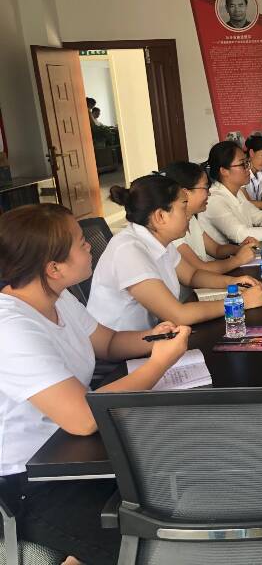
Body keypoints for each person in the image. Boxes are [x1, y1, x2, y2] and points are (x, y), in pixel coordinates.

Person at [0, 203, 191, 564]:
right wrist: (159, 364)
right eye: (80, 242)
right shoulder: (11, 327)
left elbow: (108, 342)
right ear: (53, 268)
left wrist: (155, 338)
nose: (90, 245)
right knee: (157, 546)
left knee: (181, 486)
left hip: (80, 455)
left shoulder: (59, 297)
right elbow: (83, 418)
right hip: (32, 484)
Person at [88, 174, 262, 331]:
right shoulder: (129, 251)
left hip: (155, 335)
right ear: (160, 216)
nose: (188, 213)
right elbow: (178, 315)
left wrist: (233, 282)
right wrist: (240, 302)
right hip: (124, 352)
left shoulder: (158, 240)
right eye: (183, 206)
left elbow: (192, 276)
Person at [163, 161, 261, 273]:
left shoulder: (191, 219)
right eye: (205, 188)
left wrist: (241, 248)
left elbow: (216, 249)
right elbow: (200, 269)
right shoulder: (173, 229)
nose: (209, 193)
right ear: (185, 193)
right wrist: (238, 260)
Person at [200, 141, 262, 243]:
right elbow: (239, 234)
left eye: (247, 163)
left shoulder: (237, 192)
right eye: (243, 164)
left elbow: (258, 216)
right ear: (224, 171)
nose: (248, 168)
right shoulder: (214, 199)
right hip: (230, 252)